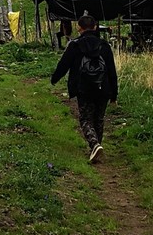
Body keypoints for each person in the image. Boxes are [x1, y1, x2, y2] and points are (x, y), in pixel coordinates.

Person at [49, 13, 118, 163]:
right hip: (103, 87)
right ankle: (97, 147)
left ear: (79, 28)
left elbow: (64, 65)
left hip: (83, 88)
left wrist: (54, 79)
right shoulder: (104, 46)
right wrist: (114, 94)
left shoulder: (74, 45)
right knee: (98, 119)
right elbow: (112, 70)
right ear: (95, 27)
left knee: (86, 118)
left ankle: (94, 145)